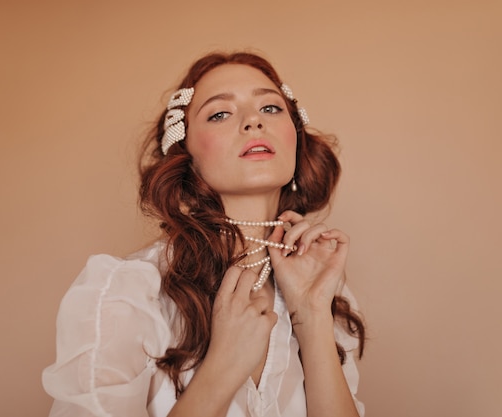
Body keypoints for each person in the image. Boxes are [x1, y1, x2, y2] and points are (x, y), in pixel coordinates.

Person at [42, 51, 366, 417]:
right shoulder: (126, 294)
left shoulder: (327, 294)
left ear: (296, 140)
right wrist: (223, 366)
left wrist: (312, 315)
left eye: (271, 108)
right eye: (220, 114)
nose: (253, 122)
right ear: (186, 156)